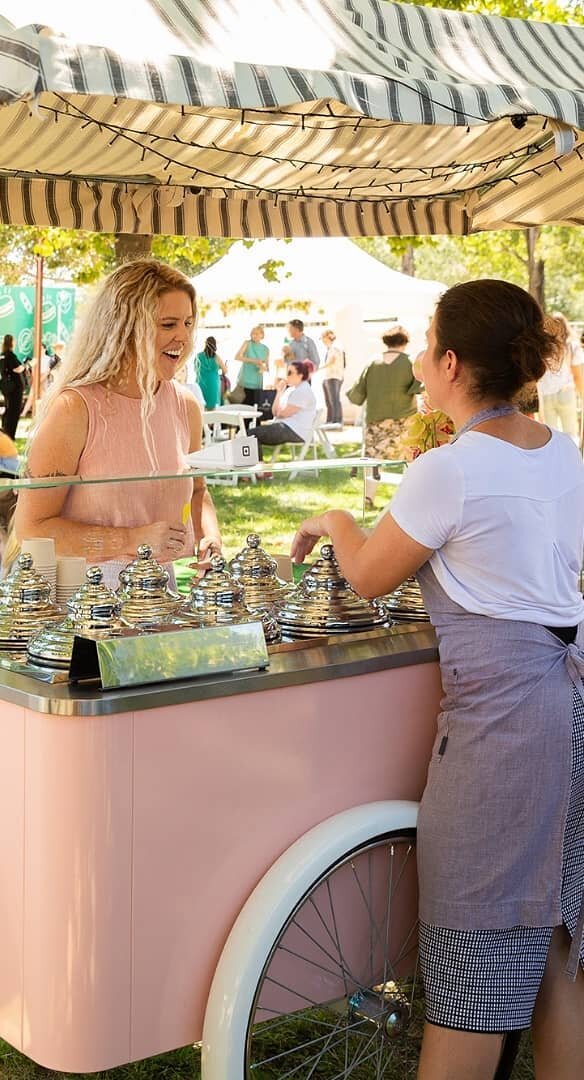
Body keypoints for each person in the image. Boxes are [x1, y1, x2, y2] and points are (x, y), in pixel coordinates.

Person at [290, 279, 584, 1080]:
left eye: (426, 348)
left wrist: (334, 522)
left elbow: (369, 577)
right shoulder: (565, 453)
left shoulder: (449, 470)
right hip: (575, 715)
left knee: (472, 966)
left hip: (505, 734)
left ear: (451, 363)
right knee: (566, 946)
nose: (420, 362)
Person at [14, 258, 222, 589]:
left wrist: (209, 535)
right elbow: (32, 529)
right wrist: (131, 541)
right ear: (124, 328)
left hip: (158, 596)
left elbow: (198, 490)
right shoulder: (74, 409)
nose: (183, 337)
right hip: (83, 598)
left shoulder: (185, 406)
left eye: (188, 323)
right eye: (168, 324)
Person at [347, 325, 424, 507]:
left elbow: (357, 394)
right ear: (404, 342)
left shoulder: (372, 363)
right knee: (410, 460)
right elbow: (419, 387)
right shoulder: (410, 362)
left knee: (373, 461)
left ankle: (368, 498)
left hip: (376, 421)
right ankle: (411, 499)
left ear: (385, 342)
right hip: (405, 422)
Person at [250, 359, 317, 463]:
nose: (287, 376)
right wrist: (279, 392)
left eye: (290, 373)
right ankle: (258, 469)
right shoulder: (292, 389)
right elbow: (275, 412)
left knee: (251, 435)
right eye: (287, 372)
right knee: (250, 434)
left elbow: (281, 413)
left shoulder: (303, 391)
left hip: (295, 430)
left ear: (300, 375)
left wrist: (279, 412)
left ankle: (259, 470)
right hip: (287, 427)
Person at [539, 314, 578, 439]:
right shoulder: (570, 346)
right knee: (571, 433)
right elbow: (577, 375)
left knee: (551, 435)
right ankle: (572, 458)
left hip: (546, 394)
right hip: (565, 391)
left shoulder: (542, 348)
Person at [232, 326, 269, 407]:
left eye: (256, 333)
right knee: (243, 408)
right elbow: (237, 357)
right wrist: (254, 361)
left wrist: (263, 368)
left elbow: (267, 368)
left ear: (262, 335)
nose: (254, 335)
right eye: (252, 333)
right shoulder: (247, 343)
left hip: (257, 383)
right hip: (245, 382)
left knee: (255, 408)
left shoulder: (266, 349)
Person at [0, 334, 25, 440]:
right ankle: (10, 433)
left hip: (7, 387)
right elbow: (17, 368)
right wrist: (27, 365)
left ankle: (5, 430)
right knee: (13, 411)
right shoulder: (10, 355)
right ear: (11, 342)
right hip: (14, 388)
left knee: (8, 409)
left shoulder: (3, 355)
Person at [320, 329, 346, 424]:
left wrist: (318, 369)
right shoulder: (333, 347)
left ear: (328, 337)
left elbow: (332, 361)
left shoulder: (335, 347)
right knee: (330, 400)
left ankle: (336, 421)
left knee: (334, 400)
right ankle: (331, 420)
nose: (322, 340)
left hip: (333, 376)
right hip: (330, 376)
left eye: (323, 338)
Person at [194, 336, 225, 410]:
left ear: (205, 343)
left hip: (201, 382)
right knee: (213, 406)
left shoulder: (198, 356)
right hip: (213, 383)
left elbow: (195, 369)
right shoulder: (216, 357)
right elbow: (225, 370)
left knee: (201, 405)